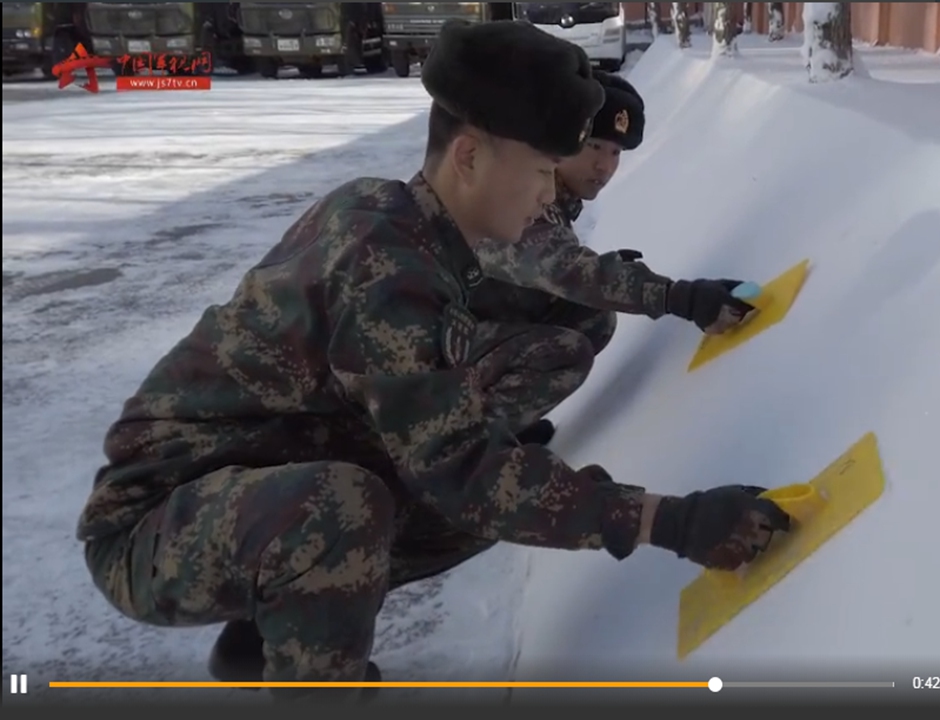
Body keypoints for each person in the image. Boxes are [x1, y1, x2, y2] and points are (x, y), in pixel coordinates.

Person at [76, 19, 792, 703]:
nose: (550, 194)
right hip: (154, 523)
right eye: (541, 170)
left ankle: (271, 625)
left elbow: (461, 470)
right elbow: (467, 473)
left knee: (470, 507)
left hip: (261, 481)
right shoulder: (385, 266)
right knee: (357, 507)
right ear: (469, 157)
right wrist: (674, 522)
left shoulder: (405, 223)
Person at [470, 70, 761, 447]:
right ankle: (462, 450)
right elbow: (563, 268)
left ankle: (500, 426)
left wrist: (610, 279)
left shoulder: (548, 190)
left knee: (591, 316)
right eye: (593, 146)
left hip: (463, 339)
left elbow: (549, 268)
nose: (604, 166)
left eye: (615, 152)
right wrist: (678, 297)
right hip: (421, 364)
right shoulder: (515, 190)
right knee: (566, 349)